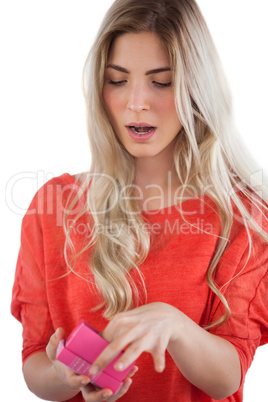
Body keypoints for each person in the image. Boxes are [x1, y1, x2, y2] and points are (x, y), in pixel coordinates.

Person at [11, 0, 268, 401]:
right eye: (118, 80)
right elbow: (34, 366)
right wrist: (65, 374)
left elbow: (229, 376)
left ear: (196, 88)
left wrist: (176, 326)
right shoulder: (54, 206)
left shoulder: (245, 215)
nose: (136, 102)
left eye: (160, 82)